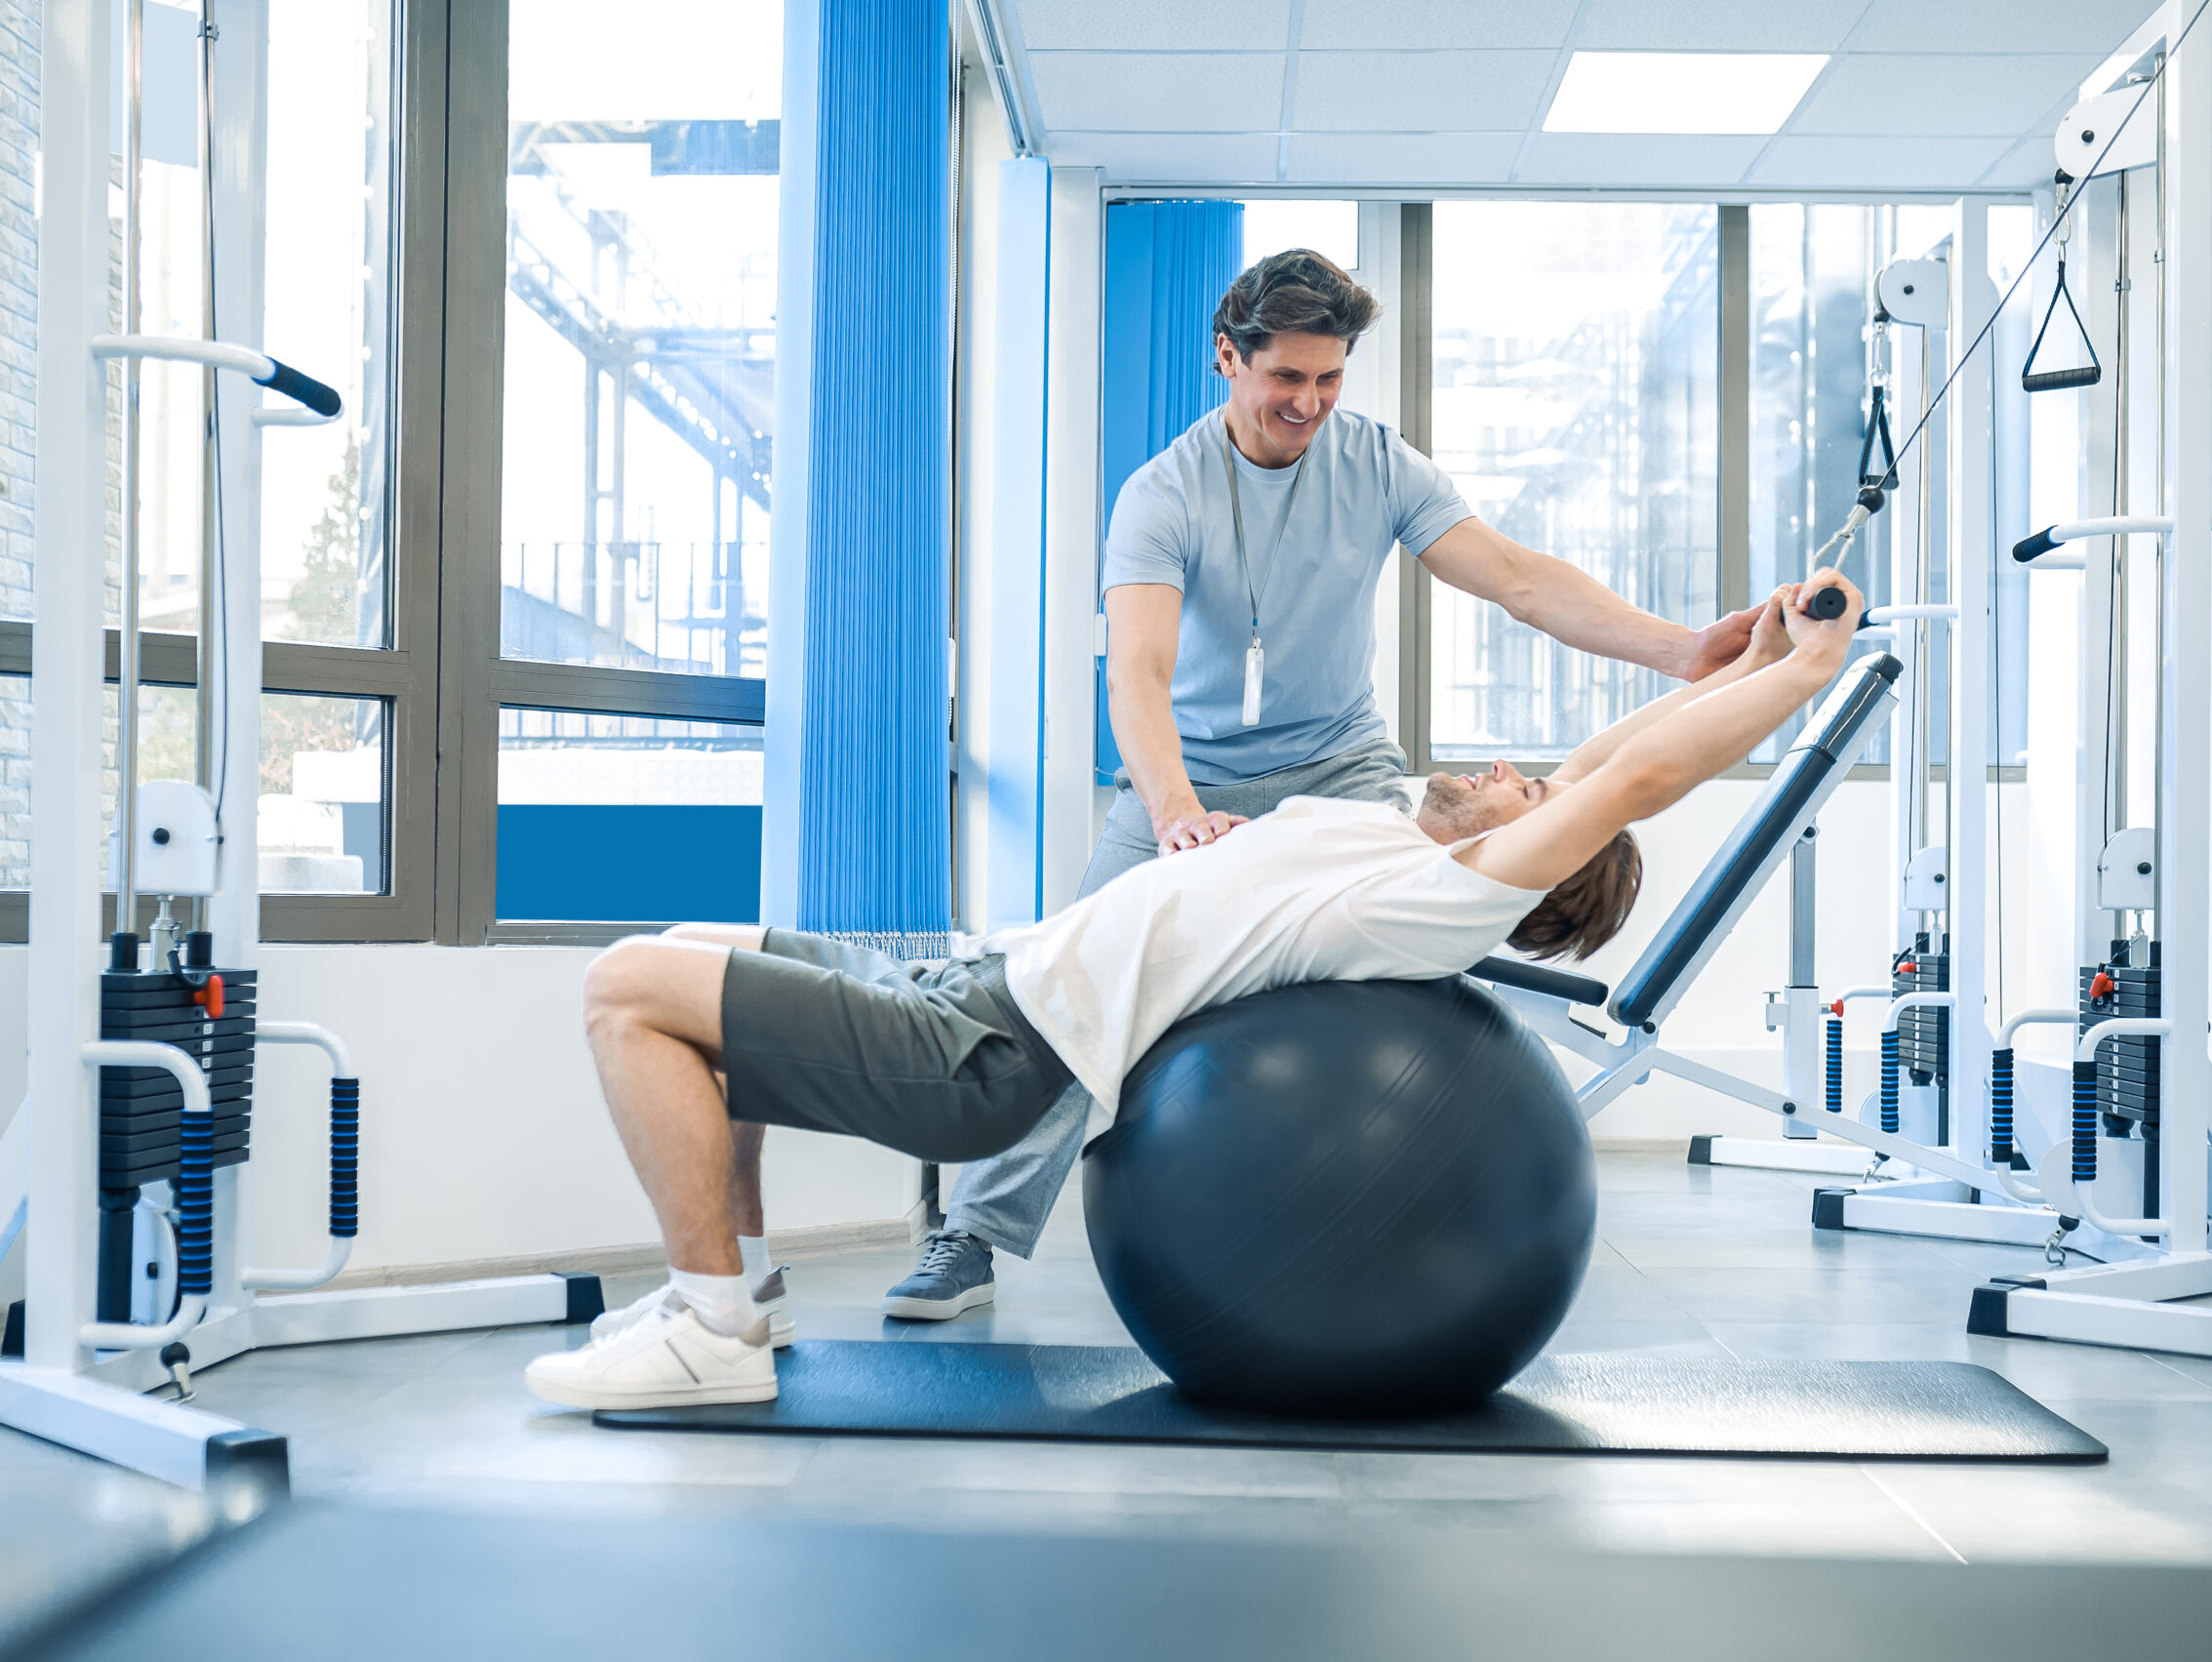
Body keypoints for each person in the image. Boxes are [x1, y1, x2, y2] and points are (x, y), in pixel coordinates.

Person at [521, 572, 1863, 1409]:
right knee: (700, 953)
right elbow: (1602, 758)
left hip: (990, 1051)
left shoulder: (1443, 895)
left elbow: (1628, 787)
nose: (1517, 768)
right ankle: (741, 1290)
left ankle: (709, 1330)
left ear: (1529, 858)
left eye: (1529, 796)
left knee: (624, 985)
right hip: (977, 975)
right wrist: (1742, 663)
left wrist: (1807, 678)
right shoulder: (1405, 828)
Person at [879, 246, 1770, 1322]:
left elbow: (1521, 580)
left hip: (1344, 765)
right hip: (1187, 775)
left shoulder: (1379, 464)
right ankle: (969, 1236)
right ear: (1227, 357)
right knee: (1077, 984)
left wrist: (1682, 653)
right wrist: (1173, 814)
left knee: (1411, 942)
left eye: (1330, 377)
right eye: (1287, 377)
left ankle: (1419, 1199)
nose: (1309, 403)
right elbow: (1142, 678)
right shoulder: (1160, 495)